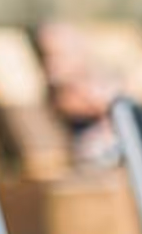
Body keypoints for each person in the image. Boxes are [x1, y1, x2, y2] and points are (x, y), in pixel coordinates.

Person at [32, 20, 121, 166]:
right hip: (88, 155)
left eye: (60, 55)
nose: (51, 63)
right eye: (46, 56)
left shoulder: (96, 84)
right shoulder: (59, 93)